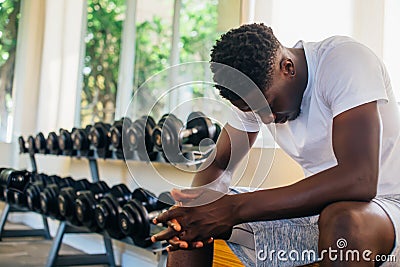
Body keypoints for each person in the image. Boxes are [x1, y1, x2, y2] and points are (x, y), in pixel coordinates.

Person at [151, 23, 400, 267]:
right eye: (254, 111)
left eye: (268, 104)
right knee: (189, 219)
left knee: (342, 221)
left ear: (287, 67)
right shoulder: (254, 94)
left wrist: (234, 208)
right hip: (319, 213)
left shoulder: (343, 61)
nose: (266, 118)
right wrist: (200, 209)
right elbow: (218, 162)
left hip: (386, 207)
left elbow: (359, 180)